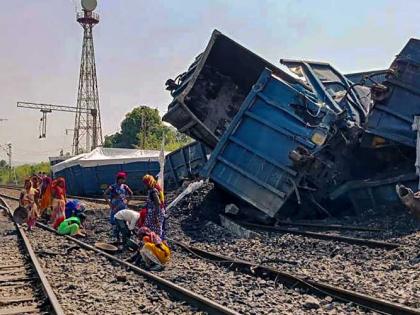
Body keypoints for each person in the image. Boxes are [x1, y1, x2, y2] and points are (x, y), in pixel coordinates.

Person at [104, 172, 133, 242]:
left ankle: (125, 238)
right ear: (118, 179)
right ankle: (117, 238)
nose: (123, 181)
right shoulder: (113, 187)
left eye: (124, 179)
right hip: (115, 208)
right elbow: (105, 194)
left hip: (123, 207)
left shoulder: (125, 186)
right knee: (115, 223)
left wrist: (127, 201)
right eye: (122, 179)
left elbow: (131, 193)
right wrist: (109, 204)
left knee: (124, 222)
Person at [142, 174, 166, 240]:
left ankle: (157, 245)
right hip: (153, 213)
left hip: (155, 213)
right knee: (151, 229)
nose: (145, 185)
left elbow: (158, 203)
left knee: (155, 230)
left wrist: (156, 217)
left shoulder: (153, 191)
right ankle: (153, 243)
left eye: (146, 183)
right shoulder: (151, 190)